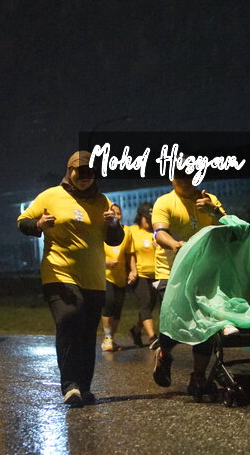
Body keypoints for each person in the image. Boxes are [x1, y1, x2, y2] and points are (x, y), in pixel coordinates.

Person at [17, 150, 124, 407]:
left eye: (90, 173)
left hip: (94, 278)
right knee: (69, 316)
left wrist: (114, 224)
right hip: (58, 272)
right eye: (80, 172)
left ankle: (83, 388)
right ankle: (70, 385)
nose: (86, 177)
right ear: (69, 171)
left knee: (87, 331)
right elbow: (22, 221)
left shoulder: (102, 201)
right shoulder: (51, 195)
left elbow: (115, 240)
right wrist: (38, 225)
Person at [151, 171, 226, 393]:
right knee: (176, 321)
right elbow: (159, 232)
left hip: (203, 271)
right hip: (170, 271)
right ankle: (164, 354)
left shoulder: (209, 200)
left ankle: (198, 377)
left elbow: (228, 227)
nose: (184, 181)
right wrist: (175, 245)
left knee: (204, 323)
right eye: (179, 176)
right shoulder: (164, 202)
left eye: (188, 176)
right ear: (171, 179)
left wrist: (213, 210)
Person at [100, 203, 134, 352]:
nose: (117, 216)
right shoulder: (101, 231)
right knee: (108, 304)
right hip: (105, 275)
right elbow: (94, 253)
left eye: (119, 213)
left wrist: (133, 271)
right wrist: (105, 263)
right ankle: (107, 337)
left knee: (118, 308)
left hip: (121, 276)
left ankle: (111, 339)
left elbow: (130, 254)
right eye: (114, 213)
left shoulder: (127, 231)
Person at [126, 202, 159, 348]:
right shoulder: (132, 231)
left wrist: (160, 246)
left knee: (150, 305)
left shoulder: (157, 232)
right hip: (140, 274)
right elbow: (129, 253)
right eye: (147, 218)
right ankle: (152, 337)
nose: (149, 222)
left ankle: (136, 330)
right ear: (140, 217)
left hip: (156, 273)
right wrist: (132, 270)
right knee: (146, 302)